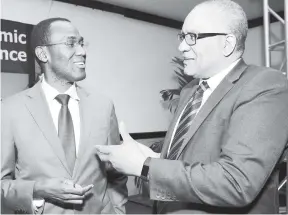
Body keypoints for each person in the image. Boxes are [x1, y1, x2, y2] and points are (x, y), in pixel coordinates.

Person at [95, 0, 288, 213]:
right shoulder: (189, 92)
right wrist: (153, 158)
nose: (181, 46)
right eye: (182, 36)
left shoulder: (265, 85)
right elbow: (194, 162)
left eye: (192, 37)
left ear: (227, 44)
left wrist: (145, 166)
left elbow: (237, 182)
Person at [1, 17, 127, 214]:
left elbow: (116, 173)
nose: (82, 52)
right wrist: (37, 189)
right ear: (43, 54)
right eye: (70, 43)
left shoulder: (103, 106)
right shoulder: (10, 109)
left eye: (81, 43)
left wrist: (118, 210)